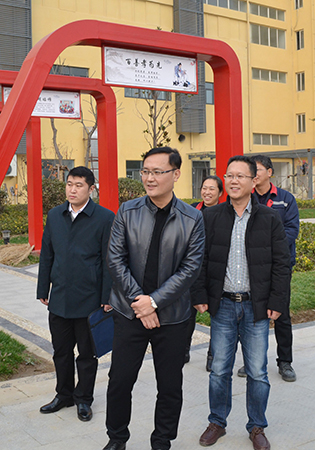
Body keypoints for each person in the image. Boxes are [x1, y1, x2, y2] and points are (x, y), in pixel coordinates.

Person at [102, 147, 205, 450]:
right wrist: (141, 303)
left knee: (170, 386)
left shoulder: (193, 218)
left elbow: (190, 269)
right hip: (129, 312)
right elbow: (115, 259)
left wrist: (155, 302)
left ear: (176, 174)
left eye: (158, 172)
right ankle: (117, 438)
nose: (149, 178)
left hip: (172, 317)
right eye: (145, 171)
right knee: (120, 381)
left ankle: (162, 441)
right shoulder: (127, 211)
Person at [192, 155, 291, 450]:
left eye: (240, 176)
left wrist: (277, 301)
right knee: (219, 369)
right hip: (222, 305)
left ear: (253, 180)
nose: (233, 181)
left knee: (257, 371)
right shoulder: (210, 217)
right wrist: (199, 294)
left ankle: (257, 426)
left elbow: (281, 264)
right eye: (229, 176)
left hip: (255, 306)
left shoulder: (269, 218)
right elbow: (198, 259)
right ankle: (217, 422)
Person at [37, 166, 115, 422]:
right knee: (61, 352)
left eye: (79, 185)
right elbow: (47, 254)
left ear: (91, 189)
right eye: (69, 184)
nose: (72, 189)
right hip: (60, 297)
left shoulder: (104, 218)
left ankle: (83, 399)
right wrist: (43, 288)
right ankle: (64, 395)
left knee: (87, 355)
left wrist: (107, 297)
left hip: (89, 299)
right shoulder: (55, 215)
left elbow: (109, 260)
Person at [236, 154, 300, 382]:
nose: (254, 174)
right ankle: (252, 361)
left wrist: (267, 247)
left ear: (269, 173)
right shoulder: (246, 198)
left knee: (281, 315)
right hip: (250, 269)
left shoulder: (285, 199)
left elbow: (291, 230)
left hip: (278, 267)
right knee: (250, 315)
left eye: (258, 169)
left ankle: (285, 362)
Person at [186, 175, 224, 371]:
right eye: (204, 188)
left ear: (220, 193)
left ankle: (212, 355)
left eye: (212, 189)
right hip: (192, 269)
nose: (207, 192)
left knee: (216, 316)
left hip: (214, 270)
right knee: (187, 313)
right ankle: (183, 349)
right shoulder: (192, 210)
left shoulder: (224, 213)